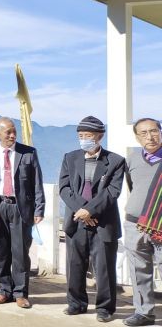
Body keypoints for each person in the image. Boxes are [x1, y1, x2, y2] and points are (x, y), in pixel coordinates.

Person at [57, 116, 124, 323]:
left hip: (103, 223)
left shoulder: (115, 161)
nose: (84, 139)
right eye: (81, 136)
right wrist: (82, 211)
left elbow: (112, 192)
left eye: (88, 135)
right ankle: (76, 303)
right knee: (74, 265)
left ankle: (104, 308)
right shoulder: (70, 158)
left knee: (103, 268)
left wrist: (91, 212)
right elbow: (64, 188)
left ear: (100, 136)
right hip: (76, 221)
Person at [0, 117, 45, 309]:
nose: (12, 134)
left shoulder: (28, 153)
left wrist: (39, 208)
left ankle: (20, 293)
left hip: (20, 208)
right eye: (7, 131)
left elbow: (37, 183)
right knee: (1, 253)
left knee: (20, 253)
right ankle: (4, 290)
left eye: (13, 130)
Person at [122, 118, 162, 327]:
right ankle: (144, 312)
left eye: (154, 131)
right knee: (139, 270)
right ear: (137, 137)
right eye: (144, 133)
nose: (150, 136)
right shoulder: (132, 158)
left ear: (160, 132)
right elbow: (132, 186)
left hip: (161, 226)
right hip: (134, 224)